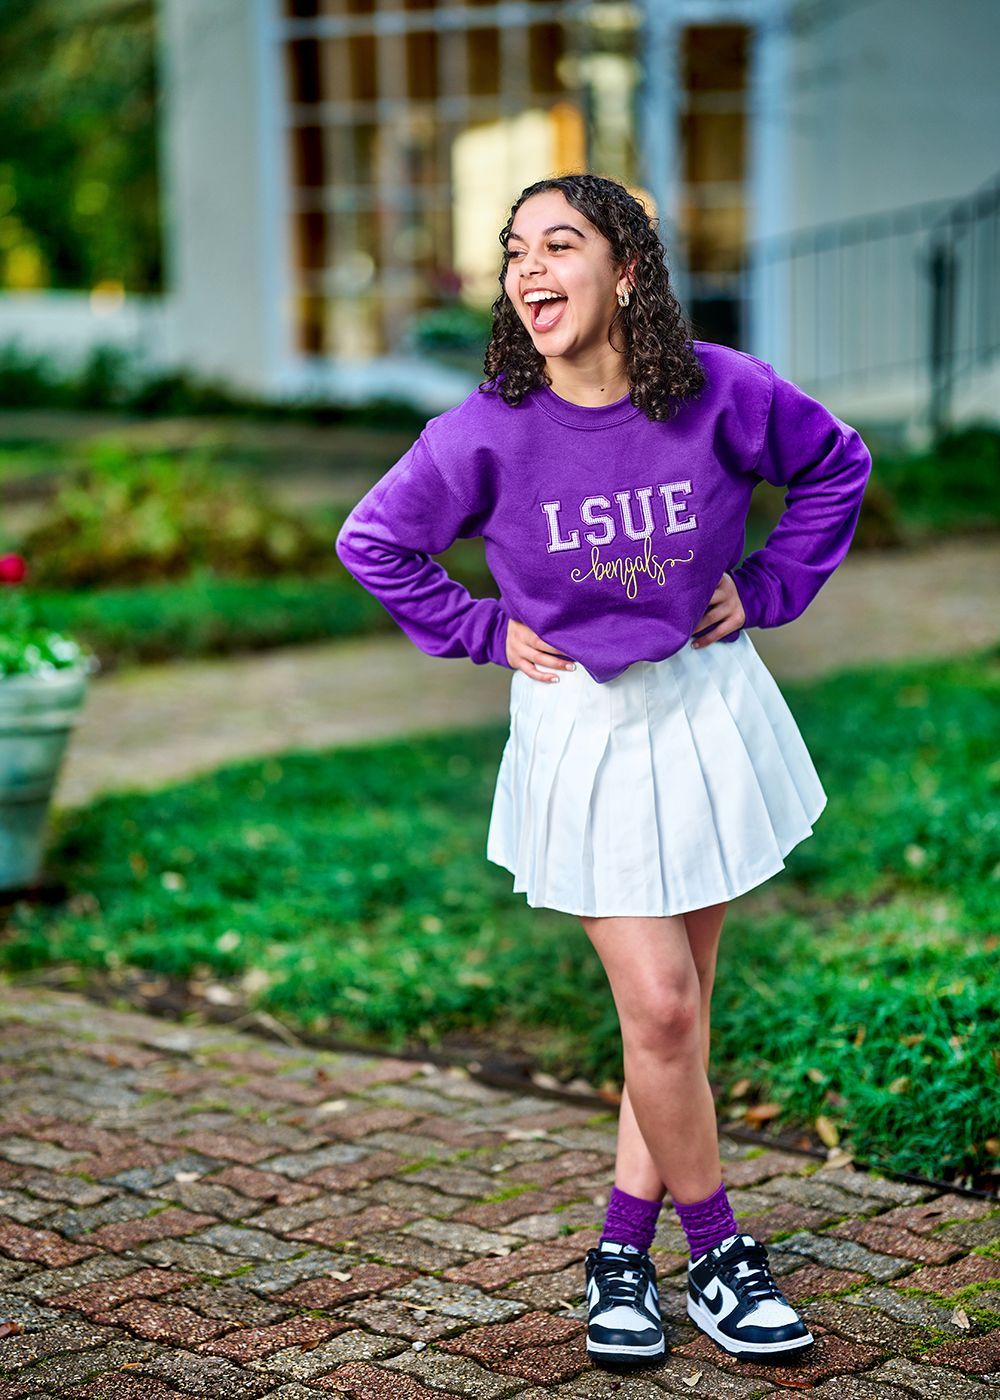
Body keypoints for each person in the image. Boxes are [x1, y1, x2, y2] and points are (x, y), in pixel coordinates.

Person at [335, 172, 872, 1371]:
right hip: (585, 731)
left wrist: (771, 587)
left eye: (559, 243)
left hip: (706, 710)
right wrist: (481, 629)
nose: (529, 266)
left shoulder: (721, 392)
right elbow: (372, 539)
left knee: (668, 1023)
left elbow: (835, 463)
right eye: (515, 248)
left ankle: (620, 1255)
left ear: (626, 270)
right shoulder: (485, 429)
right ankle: (723, 1252)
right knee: (666, 1009)